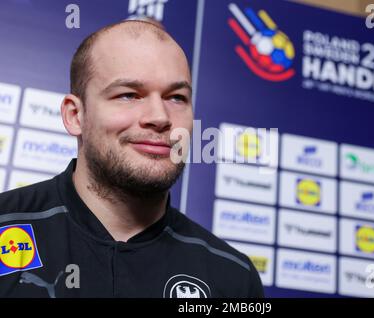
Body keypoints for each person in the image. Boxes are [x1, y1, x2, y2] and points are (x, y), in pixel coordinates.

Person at [0, 19, 264, 298]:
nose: (159, 117)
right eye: (129, 95)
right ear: (75, 116)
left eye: (176, 97)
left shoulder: (233, 277)